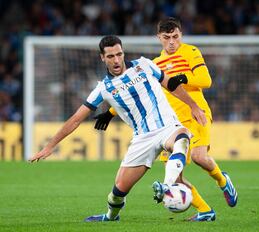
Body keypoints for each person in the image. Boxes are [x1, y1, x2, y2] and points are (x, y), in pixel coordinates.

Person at [29, 35, 208, 222]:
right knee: (117, 192)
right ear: (102, 58)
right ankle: (110, 216)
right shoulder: (103, 88)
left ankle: (167, 185)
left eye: (119, 54)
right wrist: (50, 146)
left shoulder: (144, 65)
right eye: (111, 56)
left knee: (182, 138)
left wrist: (194, 106)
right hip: (142, 139)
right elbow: (75, 119)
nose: (116, 60)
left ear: (123, 53)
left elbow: (171, 85)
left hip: (167, 126)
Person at [94, 18, 238, 221]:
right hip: (169, 125)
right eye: (167, 38)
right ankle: (206, 211)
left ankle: (223, 181)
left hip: (196, 113)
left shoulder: (191, 52)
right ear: (159, 38)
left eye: (176, 37)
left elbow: (206, 80)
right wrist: (109, 113)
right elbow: (139, 96)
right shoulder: (154, 64)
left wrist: (183, 78)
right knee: (175, 177)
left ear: (181, 35)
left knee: (199, 157)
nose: (172, 42)